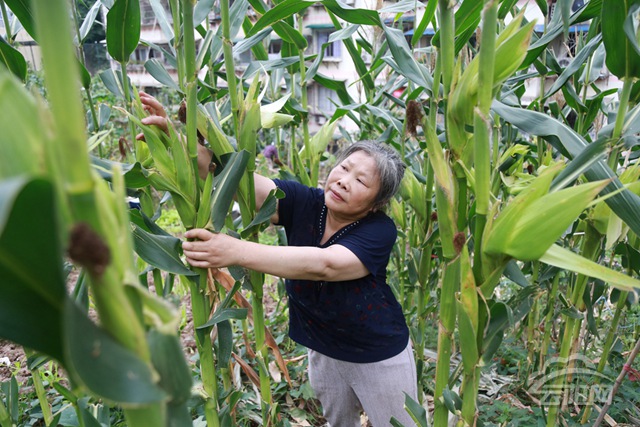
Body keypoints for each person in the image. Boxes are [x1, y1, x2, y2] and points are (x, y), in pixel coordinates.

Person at [139, 93, 418, 426]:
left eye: (360, 181)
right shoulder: (307, 201)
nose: (344, 181)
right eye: (344, 168)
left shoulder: (379, 230)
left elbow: (325, 265)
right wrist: (175, 139)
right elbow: (235, 180)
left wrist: (235, 250)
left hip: (377, 353)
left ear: (376, 203)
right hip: (323, 348)